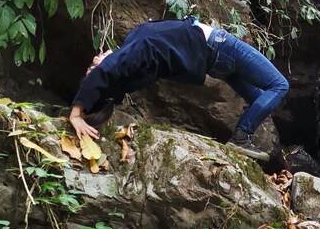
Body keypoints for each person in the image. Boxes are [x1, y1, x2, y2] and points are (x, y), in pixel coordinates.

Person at [68, 17, 289, 162]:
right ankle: (241, 137)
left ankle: (244, 137)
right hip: (220, 46)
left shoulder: (132, 60)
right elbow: (105, 72)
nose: (96, 57)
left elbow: (111, 85)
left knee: (260, 99)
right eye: (93, 64)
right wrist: (77, 113)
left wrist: (99, 99)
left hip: (214, 62)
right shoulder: (132, 54)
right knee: (279, 85)